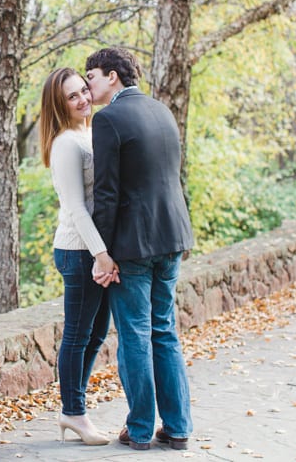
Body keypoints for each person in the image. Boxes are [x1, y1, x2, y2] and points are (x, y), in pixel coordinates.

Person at [85, 47, 194, 451]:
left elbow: (107, 193)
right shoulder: (161, 111)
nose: (88, 85)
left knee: (134, 334)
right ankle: (179, 428)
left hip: (132, 246)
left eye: (92, 76)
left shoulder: (108, 118)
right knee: (164, 331)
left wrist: (103, 253)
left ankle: (141, 429)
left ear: (112, 76)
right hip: (172, 237)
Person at [39, 68, 120, 446]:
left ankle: (74, 407)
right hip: (78, 250)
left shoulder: (87, 132)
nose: (83, 99)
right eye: (72, 96)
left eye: (84, 91)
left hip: (95, 249)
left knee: (96, 332)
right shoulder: (66, 144)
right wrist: (100, 256)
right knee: (77, 334)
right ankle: (73, 412)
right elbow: (75, 207)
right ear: (59, 105)